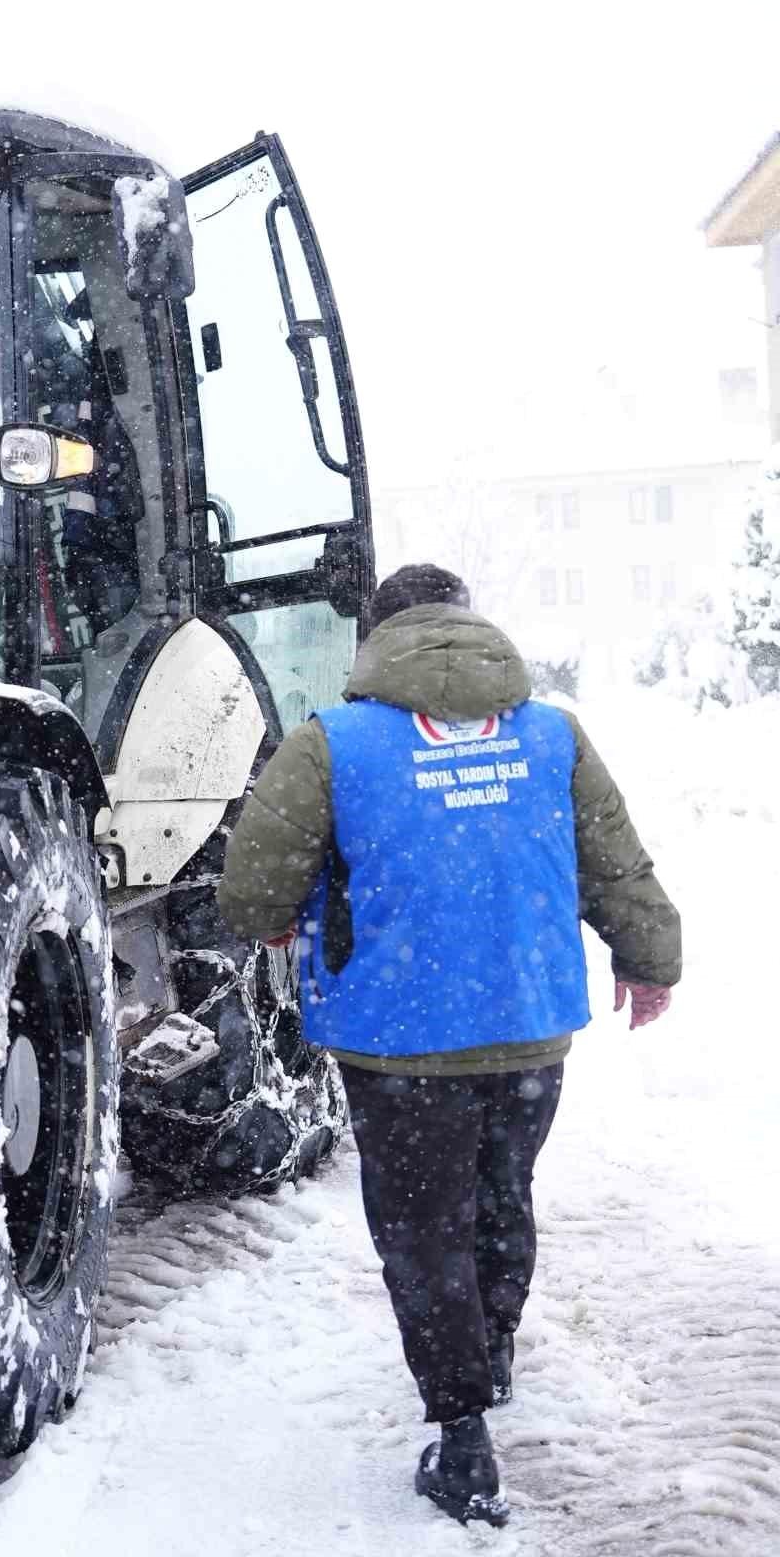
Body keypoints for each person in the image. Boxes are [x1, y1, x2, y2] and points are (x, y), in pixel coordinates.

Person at [216, 563, 680, 1529]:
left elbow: (255, 886)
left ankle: (464, 1435)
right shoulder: (551, 733)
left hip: (396, 1040)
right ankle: (493, 1353)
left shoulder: (332, 743)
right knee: (501, 1192)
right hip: (526, 1020)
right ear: (469, 628)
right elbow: (617, 859)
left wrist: (272, 919)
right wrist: (650, 960)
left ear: (377, 638)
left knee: (423, 1229)